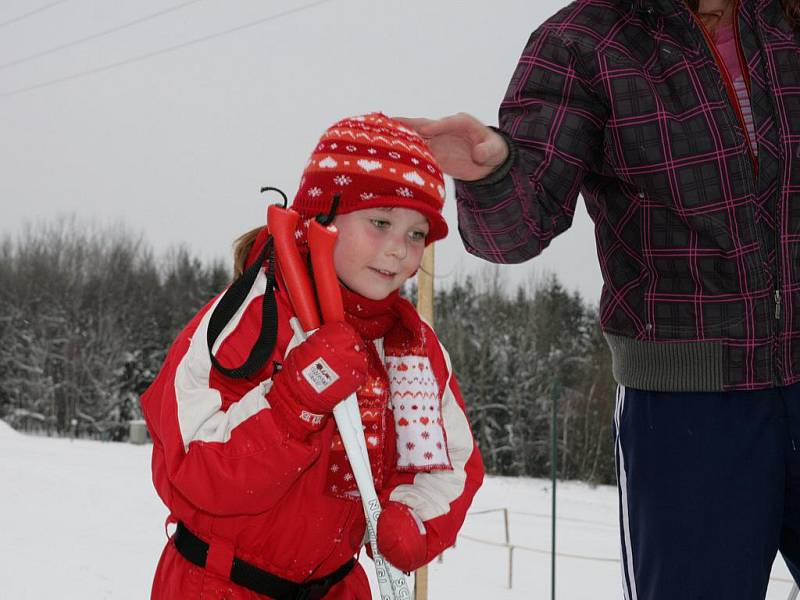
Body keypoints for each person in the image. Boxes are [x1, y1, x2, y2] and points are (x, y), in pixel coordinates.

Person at [399, 0, 800, 598]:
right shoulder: (585, 42)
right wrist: (491, 173)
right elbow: (517, 228)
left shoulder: (784, 22)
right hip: (688, 412)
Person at [140, 113, 485, 599]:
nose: (398, 251)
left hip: (336, 589)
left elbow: (444, 461)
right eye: (380, 222)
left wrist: (414, 514)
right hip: (218, 585)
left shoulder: (413, 348)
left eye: (416, 233)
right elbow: (191, 468)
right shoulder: (252, 317)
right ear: (323, 217)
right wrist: (294, 401)